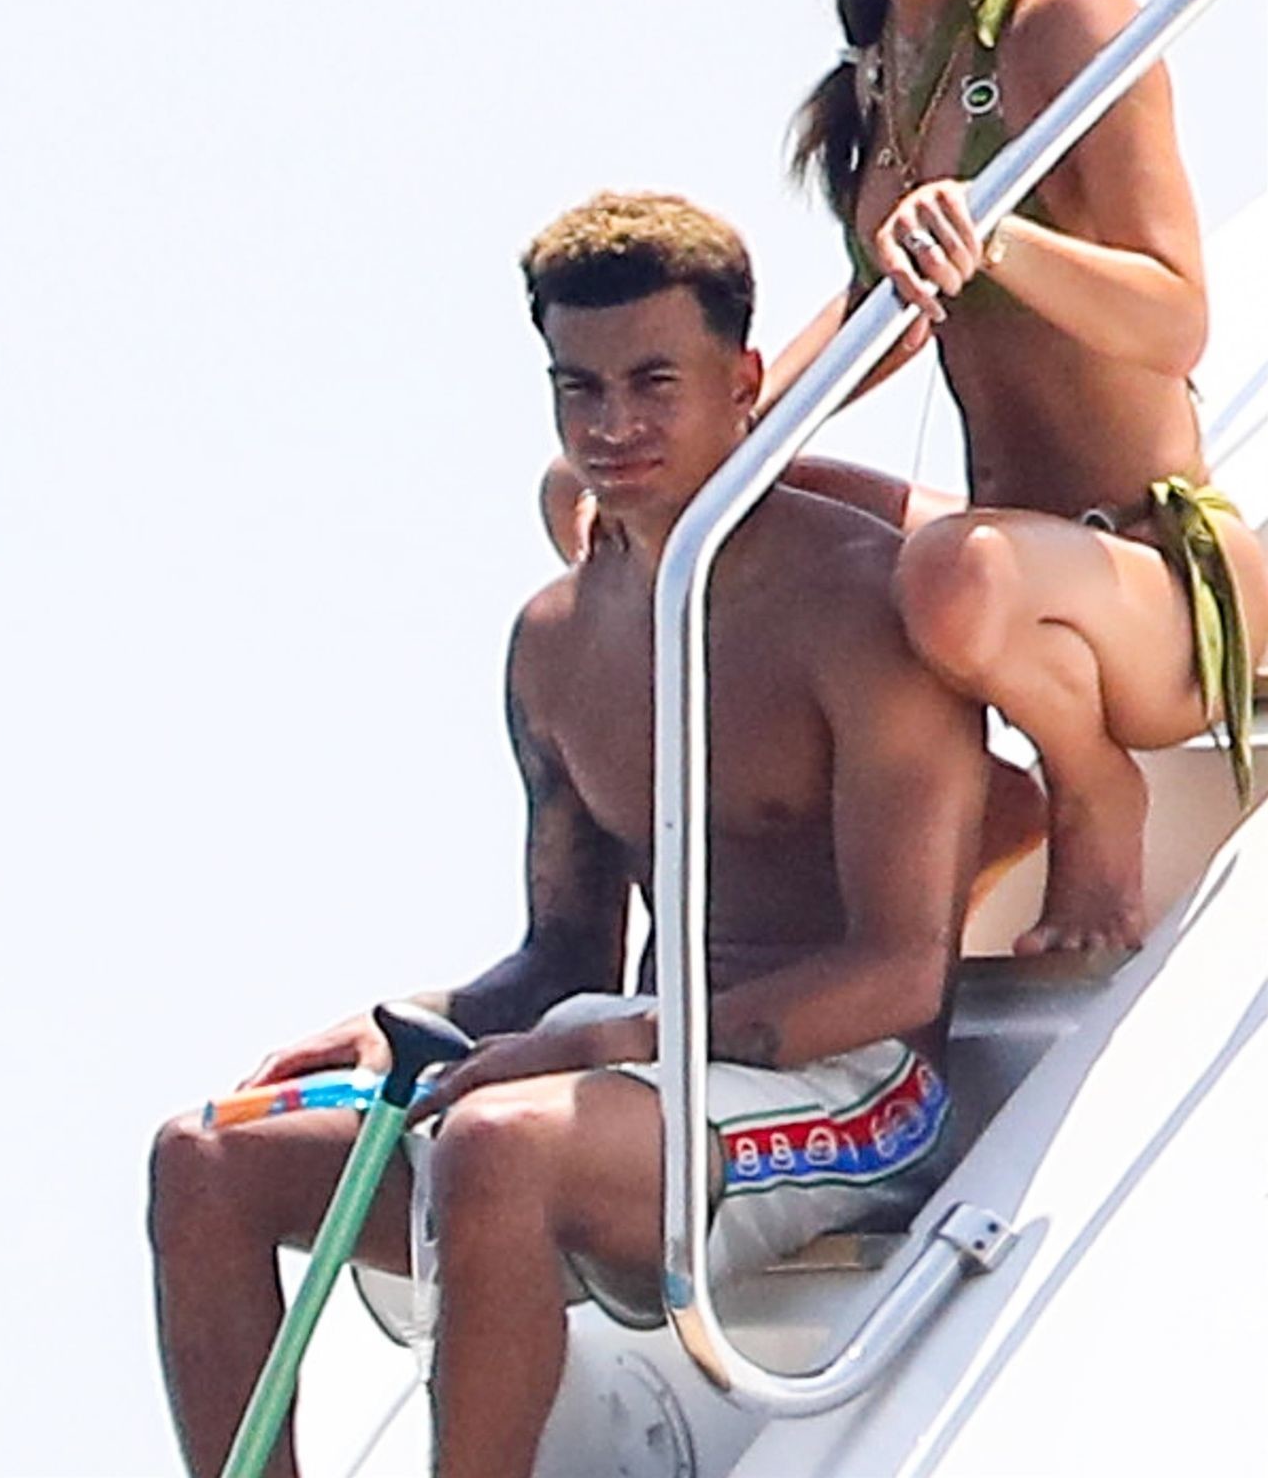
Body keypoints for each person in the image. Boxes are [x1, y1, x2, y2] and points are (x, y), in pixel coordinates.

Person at [150, 193, 989, 1478]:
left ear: (743, 382)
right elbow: (559, 954)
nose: (612, 427)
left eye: (654, 383)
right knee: (206, 1155)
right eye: (578, 388)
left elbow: (899, 974)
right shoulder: (553, 640)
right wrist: (402, 1022)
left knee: (498, 1143)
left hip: (855, 1091)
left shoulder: (853, 605)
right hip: (631, 1069)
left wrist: (603, 1043)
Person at [546, 0, 1268, 957]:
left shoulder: (1064, 16)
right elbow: (890, 307)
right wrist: (724, 438)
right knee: (620, 487)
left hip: (1147, 579)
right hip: (1006, 548)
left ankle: (1088, 788)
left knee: (948, 576)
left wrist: (1000, 237)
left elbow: (1174, 321)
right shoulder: (883, 57)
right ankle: (912, 821)